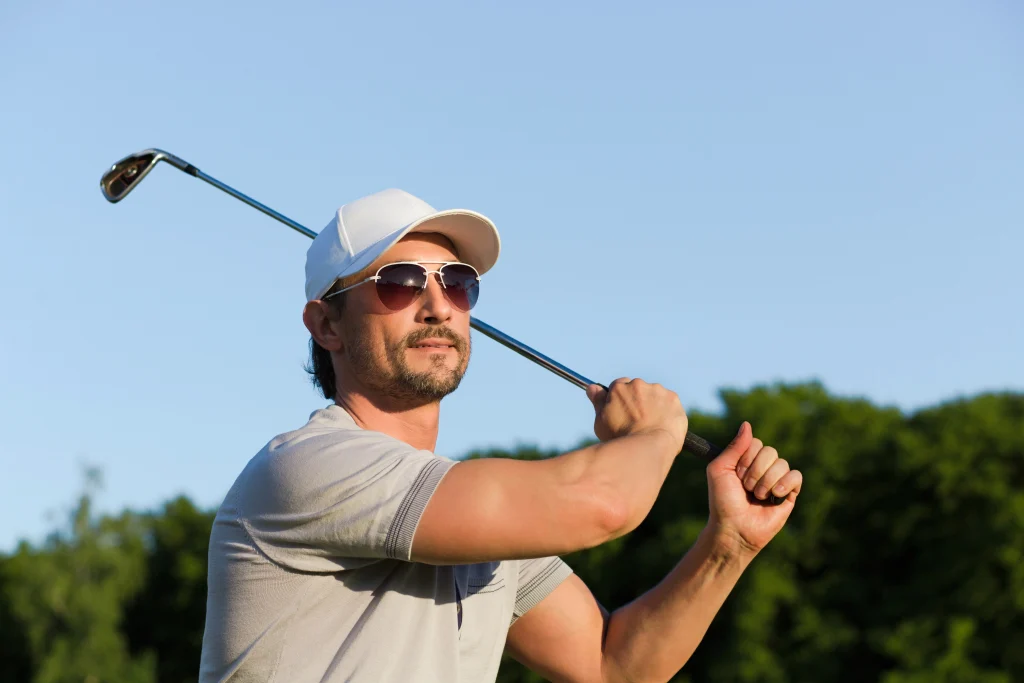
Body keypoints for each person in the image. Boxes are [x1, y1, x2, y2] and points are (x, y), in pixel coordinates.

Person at [198, 188, 803, 682]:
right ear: (326, 323)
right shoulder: (307, 467)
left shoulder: (467, 512)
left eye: (456, 283)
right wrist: (652, 433)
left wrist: (730, 544)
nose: (438, 306)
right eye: (400, 282)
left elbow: (611, 665)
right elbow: (605, 504)